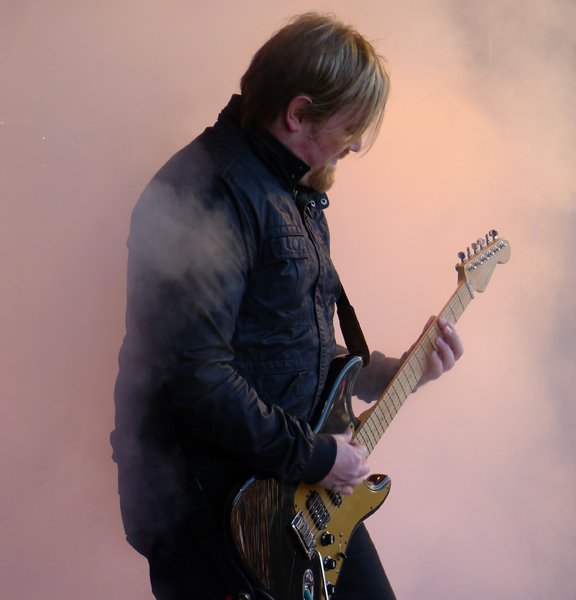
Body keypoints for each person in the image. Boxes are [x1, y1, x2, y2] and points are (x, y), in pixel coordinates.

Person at [111, 13, 463, 600]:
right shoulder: (209, 190)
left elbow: (292, 343)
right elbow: (196, 377)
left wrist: (396, 373)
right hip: (214, 509)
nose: (355, 145)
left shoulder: (287, 188)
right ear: (298, 113)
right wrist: (316, 456)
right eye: (351, 127)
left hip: (292, 492)